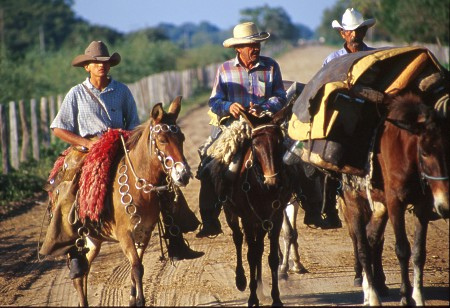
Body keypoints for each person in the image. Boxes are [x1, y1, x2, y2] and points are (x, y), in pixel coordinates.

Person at [40, 41, 203, 280]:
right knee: (70, 187)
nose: (101, 66)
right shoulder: (76, 93)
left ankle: (174, 237)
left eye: (105, 62)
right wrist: (86, 144)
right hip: (87, 149)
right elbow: (58, 127)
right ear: (87, 67)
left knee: (162, 185)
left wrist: (127, 141)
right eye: (96, 63)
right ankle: (73, 246)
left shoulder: (122, 91)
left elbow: (133, 124)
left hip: (121, 145)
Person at [196, 22, 287, 238]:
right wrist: (229, 106)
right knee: (210, 166)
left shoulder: (271, 66)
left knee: (296, 158)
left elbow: (281, 97)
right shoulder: (225, 69)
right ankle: (210, 219)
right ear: (238, 48)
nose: (255, 48)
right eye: (250, 45)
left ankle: (315, 207)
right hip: (234, 128)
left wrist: (264, 107)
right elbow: (214, 101)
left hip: (265, 125)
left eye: (257, 44)